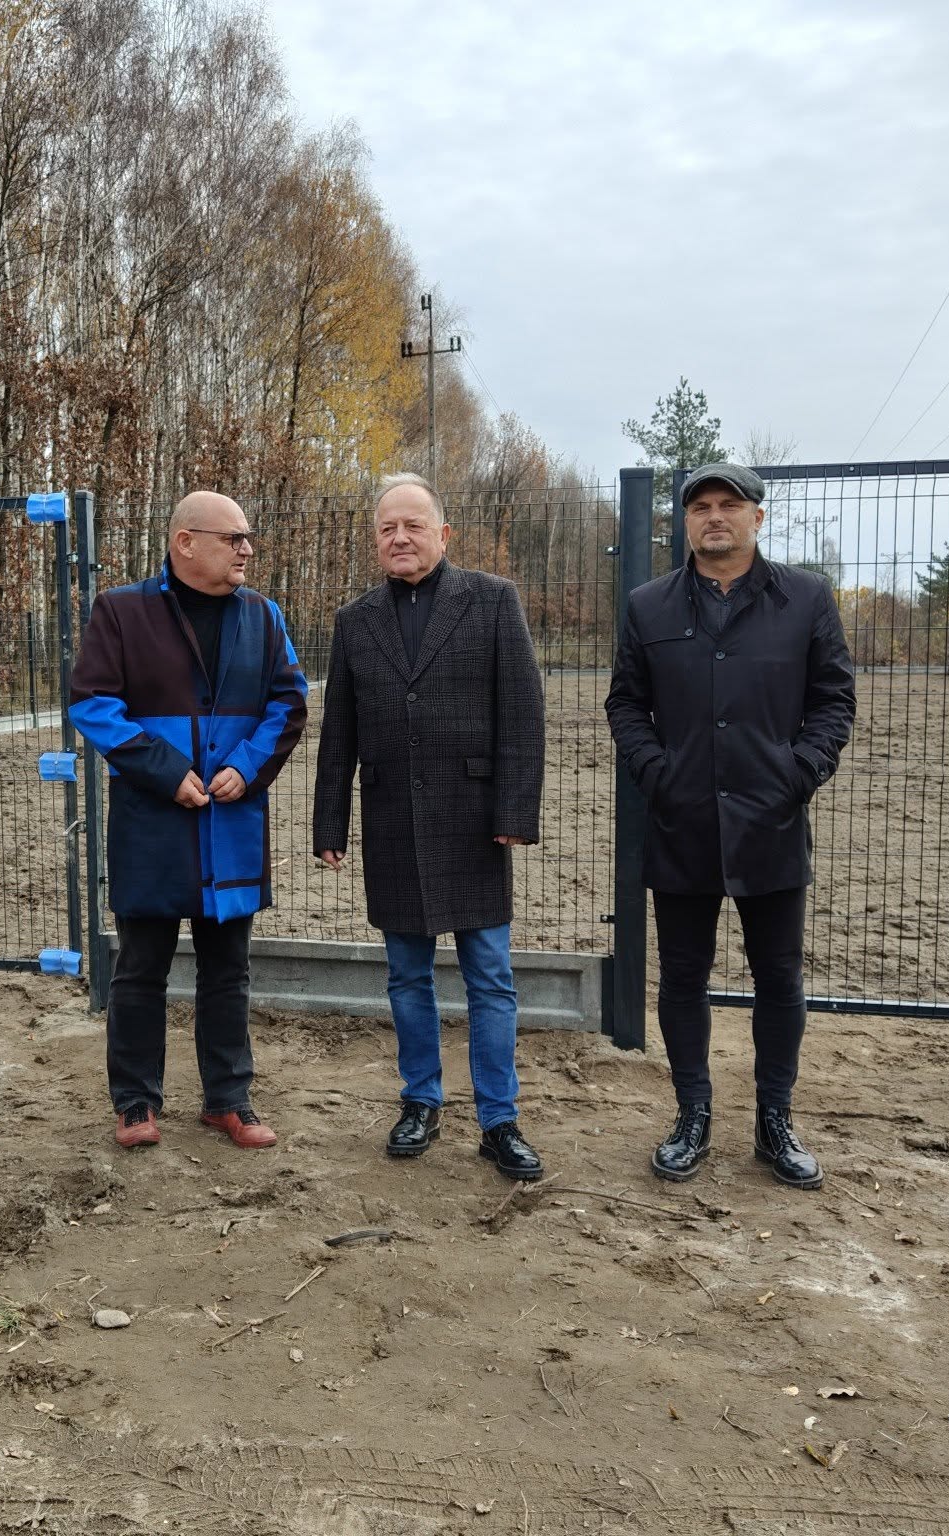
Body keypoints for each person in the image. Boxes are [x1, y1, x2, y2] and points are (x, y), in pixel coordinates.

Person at [605, 462, 855, 1189]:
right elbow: (626, 703)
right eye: (701, 507)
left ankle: (775, 1122)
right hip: (680, 823)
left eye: (729, 505)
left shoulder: (805, 598)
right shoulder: (649, 606)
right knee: (682, 976)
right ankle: (692, 1116)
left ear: (757, 517)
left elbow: (834, 699)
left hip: (770, 823)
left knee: (778, 976)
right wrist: (658, 773)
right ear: (685, 521)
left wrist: (798, 773)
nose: (714, 516)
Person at [312, 473, 549, 1182]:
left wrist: (514, 812)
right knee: (407, 976)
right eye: (387, 528)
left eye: (413, 525)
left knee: (491, 978)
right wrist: (330, 821)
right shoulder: (355, 621)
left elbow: (523, 713)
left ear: (443, 534)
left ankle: (499, 1119)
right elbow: (338, 730)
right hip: (392, 821)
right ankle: (420, 1101)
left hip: (474, 825)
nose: (400, 538)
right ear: (375, 540)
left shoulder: (493, 601)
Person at [68, 492, 307, 1150]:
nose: (246, 549)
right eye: (234, 538)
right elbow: (92, 703)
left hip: (230, 822)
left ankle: (229, 1099)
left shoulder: (263, 616)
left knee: (228, 969)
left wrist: (247, 767)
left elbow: (289, 701)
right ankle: (135, 1102)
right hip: (152, 822)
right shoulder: (121, 611)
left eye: (248, 538)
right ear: (185, 542)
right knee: (140, 967)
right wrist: (164, 770)